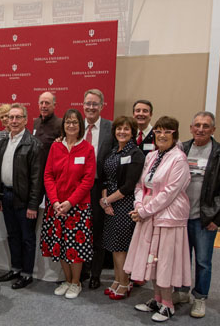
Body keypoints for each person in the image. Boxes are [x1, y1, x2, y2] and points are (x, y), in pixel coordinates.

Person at [126, 116, 191, 322]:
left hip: (168, 217)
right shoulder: (152, 156)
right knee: (151, 261)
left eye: (167, 132)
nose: (162, 135)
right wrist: (138, 205)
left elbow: (170, 192)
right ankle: (156, 298)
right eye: (159, 131)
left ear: (175, 134)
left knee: (164, 262)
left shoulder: (179, 158)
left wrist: (144, 211)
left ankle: (168, 304)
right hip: (149, 214)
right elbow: (141, 185)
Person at [177, 111, 220, 318]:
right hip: (180, 217)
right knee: (181, 258)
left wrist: (218, 218)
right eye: (197, 125)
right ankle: (181, 292)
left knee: (203, 261)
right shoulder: (181, 149)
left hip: (205, 219)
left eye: (206, 126)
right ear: (191, 128)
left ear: (213, 130)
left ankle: (200, 298)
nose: (201, 129)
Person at [40, 108, 96, 299]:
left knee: (75, 247)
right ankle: (67, 279)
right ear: (63, 125)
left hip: (78, 207)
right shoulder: (56, 147)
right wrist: (55, 202)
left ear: (80, 125)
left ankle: (76, 282)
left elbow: (88, 180)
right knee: (60, 244)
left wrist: (70, 203)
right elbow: (48, 175)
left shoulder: (87, 149)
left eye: (75, 122)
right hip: (56, 207)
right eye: (68, 122)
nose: (71, 125)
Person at [0, 104, 43, 290]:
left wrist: (32, 204)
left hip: (24, 200)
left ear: (25, 120)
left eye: (17, 117)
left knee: (27, 238)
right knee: (12, 235)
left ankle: (26, 274)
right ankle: (15, 269)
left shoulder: (34, 144)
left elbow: (36, 178)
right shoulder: (4, 142)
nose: (13, 121)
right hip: (5, 195)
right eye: (10, 117)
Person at [98, 115, 144, 299]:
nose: (122, 132)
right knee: (114, 246)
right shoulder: (112, 151)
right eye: (119, 128)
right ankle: (117, 279)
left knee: (121, 247)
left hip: (124, 205)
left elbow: (129, 185)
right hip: (109, 203)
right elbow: (104, 179)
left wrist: (108, 201)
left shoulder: (136, 154)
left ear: (132, 132)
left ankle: (125, 283)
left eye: (126, 129)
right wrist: (104, 201)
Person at [81, 88, 115, 289]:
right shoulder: (75, 127)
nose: (91, 107)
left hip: (98, 188)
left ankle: (95, 273)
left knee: (97, 231)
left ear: (102, 106)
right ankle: (82, 270)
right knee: (80, 229)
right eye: (88, 103)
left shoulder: (110, 129)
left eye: (95, 104)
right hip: (78, 188)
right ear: (82, 106)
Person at [32, 91, 61, 163]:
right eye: (41, 103)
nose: (43, 106)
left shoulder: (60, 124)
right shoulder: (36, 122)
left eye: (47, 103)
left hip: (51, 166)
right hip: (36, 165)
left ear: (54, 105)